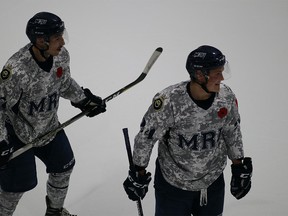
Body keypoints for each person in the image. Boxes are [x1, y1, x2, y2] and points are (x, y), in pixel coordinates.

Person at [123, 45, 253, 216]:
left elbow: (232, 131)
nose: (221, 78)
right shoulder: (169, 101)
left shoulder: (226, 98)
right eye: (216, 73)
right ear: (199, 75)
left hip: (211, 182)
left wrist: (239, 167)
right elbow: (147, 137)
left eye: (222, 71)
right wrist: (138, 172)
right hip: (173, 186)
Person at [0, 12, 106, 216]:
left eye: (61, 35)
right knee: (17, 185)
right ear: (41, 40)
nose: (62, 41)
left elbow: (63, 83)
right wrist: (1, 141)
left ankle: (54, 212)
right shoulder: (17, 70)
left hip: (49, 128)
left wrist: (82, 99)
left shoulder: (61, 56)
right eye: (57, 37)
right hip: (19, 134)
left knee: (64, 166)